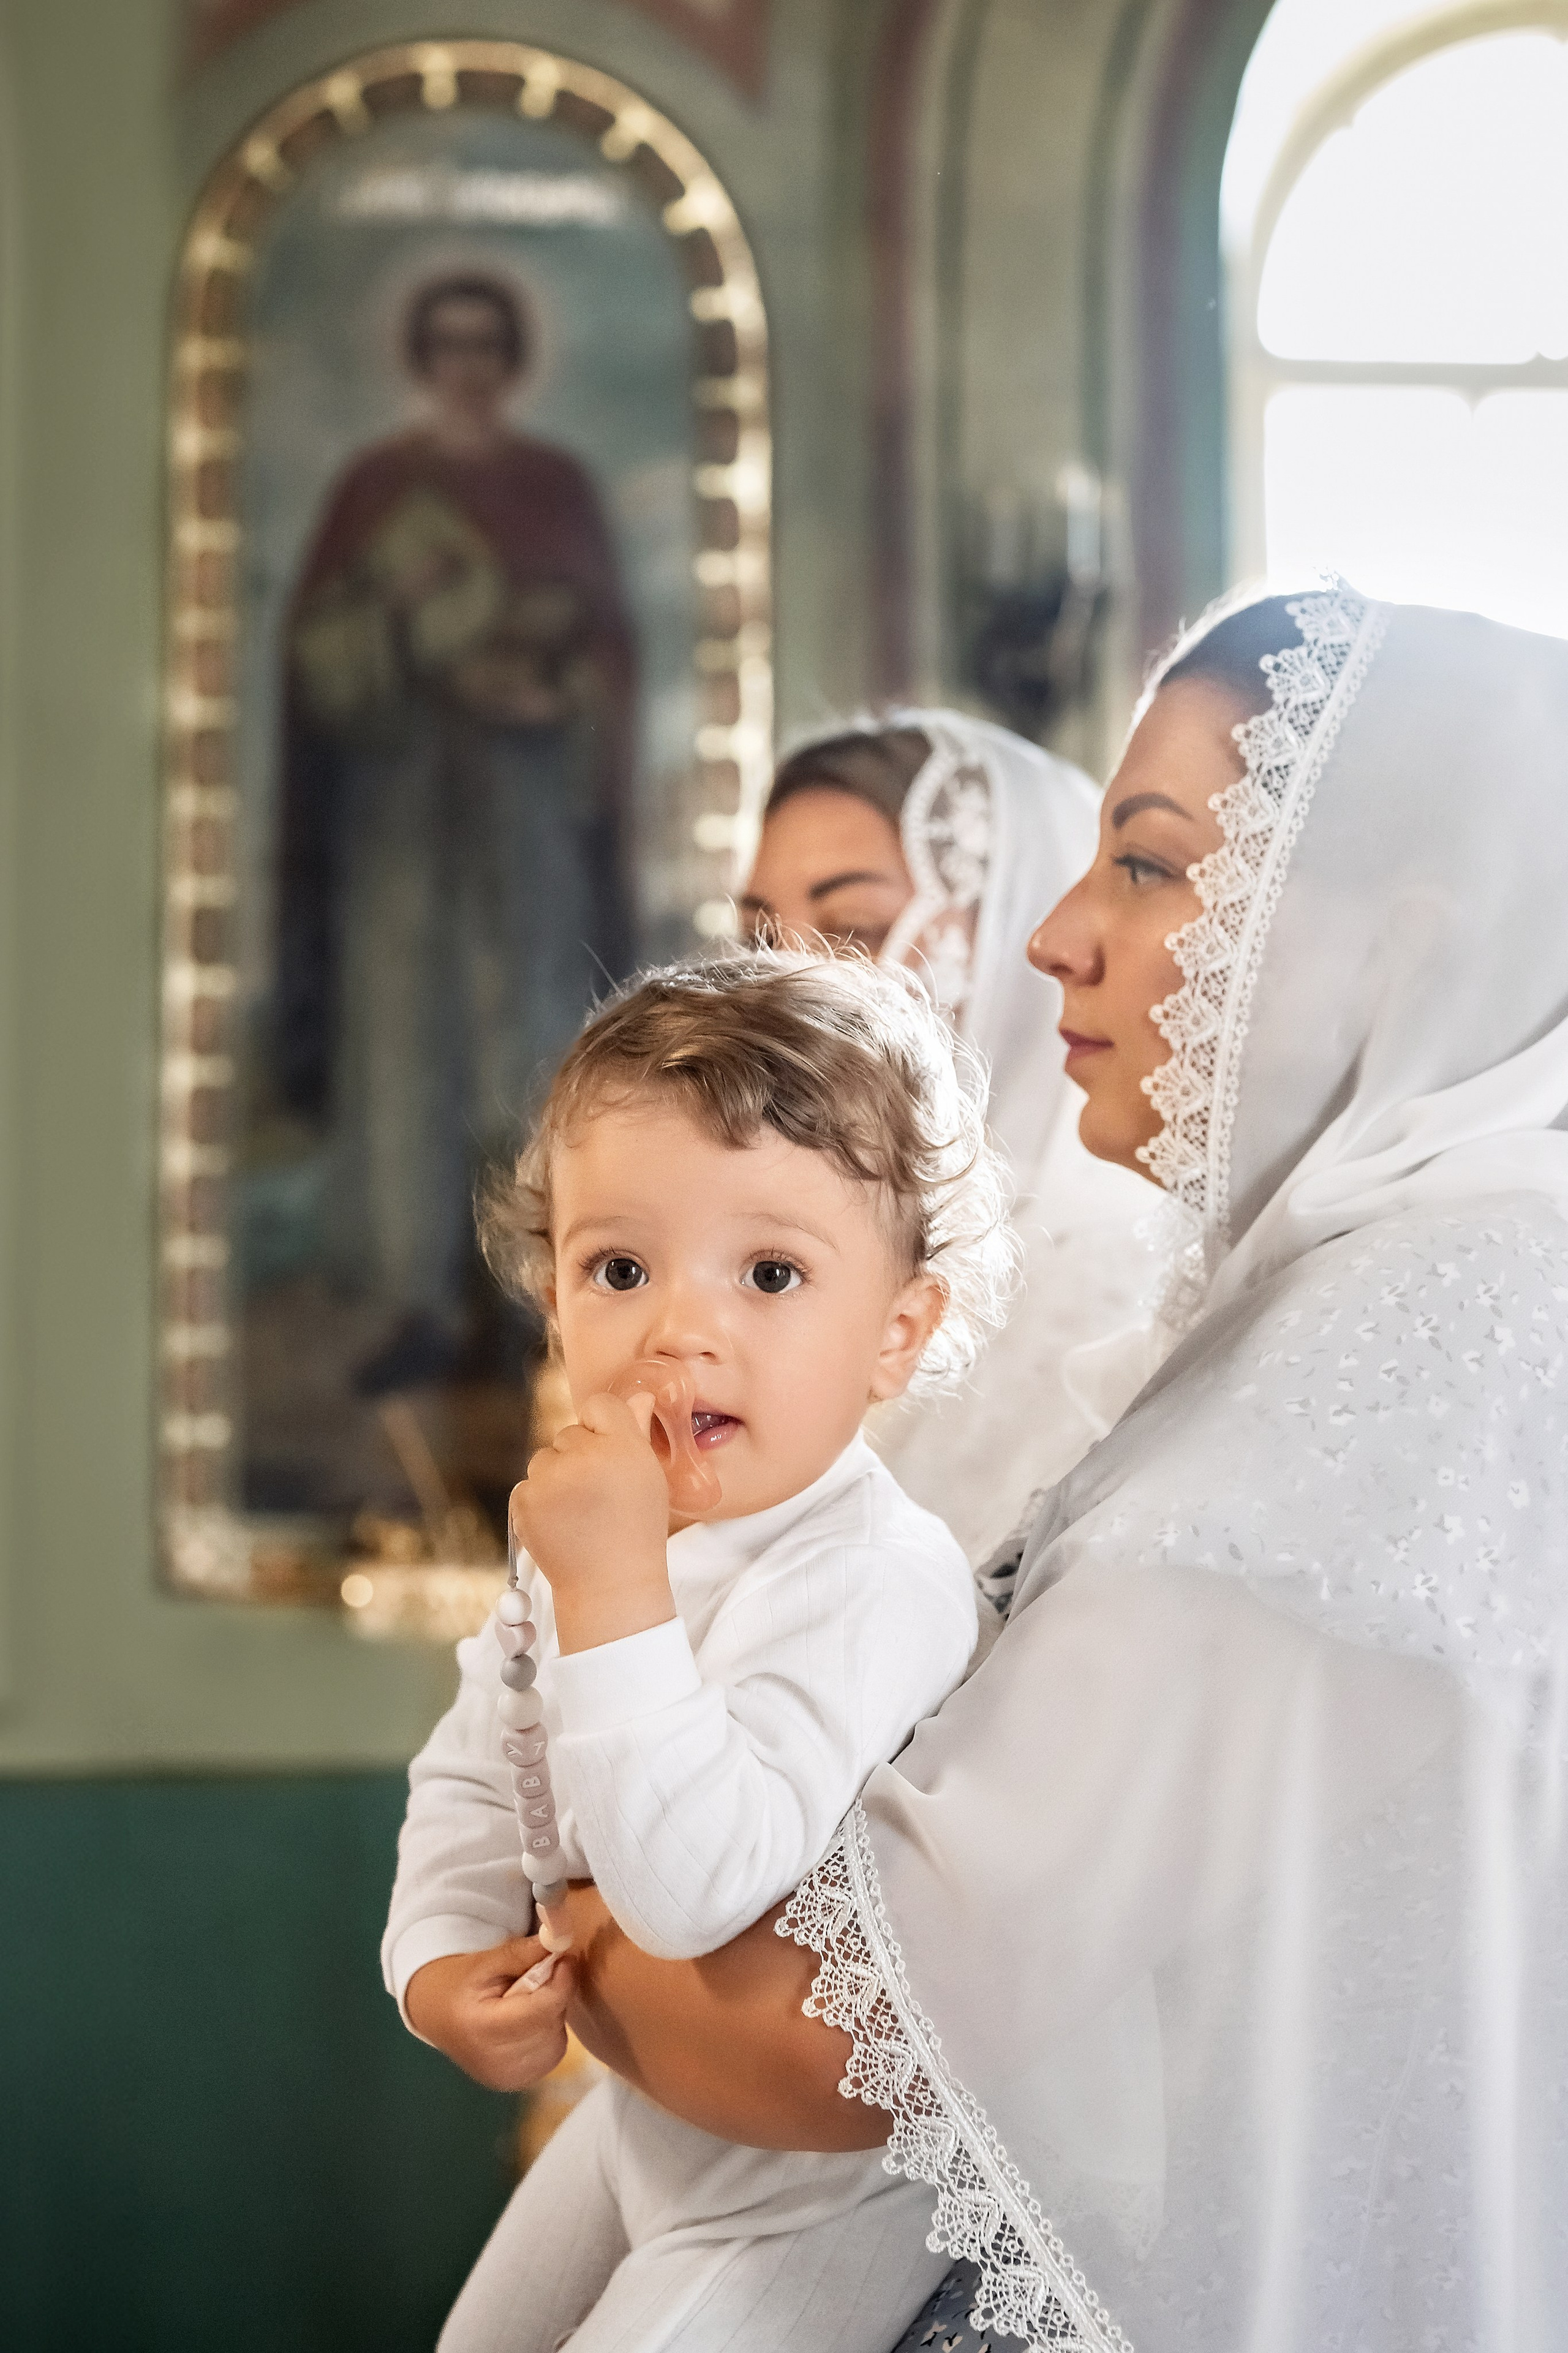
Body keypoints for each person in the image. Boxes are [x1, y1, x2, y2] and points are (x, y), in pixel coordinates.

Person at [481, 579, 1567, 2353]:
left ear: (1402, 930)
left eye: (1146, 864)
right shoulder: (1391, 1283)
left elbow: (834, 2036)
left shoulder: (1421, 1342)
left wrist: (563, 1880)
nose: (1068, 934)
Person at [384, 951, 1020, 2352]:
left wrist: (610, 1588)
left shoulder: (869, 1577)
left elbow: (692, 1891)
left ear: (895, 1334)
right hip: (644, 2122)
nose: (681, 1328)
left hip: (818, 2193)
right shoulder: (592, 1518)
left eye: (772, 1273)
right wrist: (434, 1960)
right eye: (619, 1267)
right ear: (555, 1299)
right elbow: (482, 1762)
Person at [276, 271, 636, 1396]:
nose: (468, 363)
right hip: (401, 808)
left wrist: (554, 688)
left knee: (528, 1034)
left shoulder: (555, 484)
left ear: (512, 355)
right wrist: (408, 633)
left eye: (488, 343)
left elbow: (608, 649)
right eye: (449, 343)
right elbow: (318, 657)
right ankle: (415, 1299)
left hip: (524, 800)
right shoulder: (377, 485)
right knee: (400, 1037)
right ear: (425, 357)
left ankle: (534, 1302)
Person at [742, 714, 1153, 1563]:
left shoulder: (1113, 1310)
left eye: (850, 928)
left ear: (1014, 934)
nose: (776, 986)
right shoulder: (746, 1247)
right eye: (755, 936)